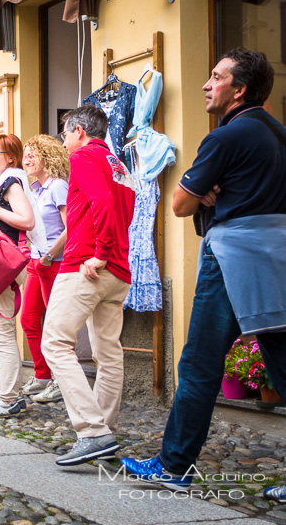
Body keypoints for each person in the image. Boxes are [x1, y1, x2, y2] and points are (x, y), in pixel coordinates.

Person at [121, 48, 286, 494]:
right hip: (277, 258)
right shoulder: (278, 134)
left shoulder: (225, 137)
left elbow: (178, 204)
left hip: (232, 258)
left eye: (216, 77)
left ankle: (174, 468)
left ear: (240, 89)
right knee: (284, 365)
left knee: (198, 365)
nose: (206, 84)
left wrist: (203, 193)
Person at [42, 105, 135, 466]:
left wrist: (100, 252)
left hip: (89, 265)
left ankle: (93, 432)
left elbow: (101, 203)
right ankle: (104, 432)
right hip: (118, 271)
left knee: (56, 342)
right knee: (109, 354)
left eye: (65, 133)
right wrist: (111, 253)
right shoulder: (117, 162)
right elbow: (125, 207)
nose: (63, 142)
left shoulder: (84, 156)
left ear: (79, 130)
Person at [0, 133, 47, 419]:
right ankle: (10, 395)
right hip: (2, 265)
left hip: (2, 266)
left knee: (2, 335)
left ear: (11, 157)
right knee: (2, 334)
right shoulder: (10, 181)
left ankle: (8, 398)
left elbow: (27, 220)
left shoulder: (10, 183)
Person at [19, 135, 70, 404]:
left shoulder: (58, 187)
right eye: (25, 154)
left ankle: (62, 381)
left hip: (54, 263)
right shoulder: (36, 190)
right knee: (29, 319)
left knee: (55, 326)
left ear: (47, 157)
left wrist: (50, 255)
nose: (26, 159)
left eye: (32, 154)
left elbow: (71, 227)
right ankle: (42, 375)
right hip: (36, 263)